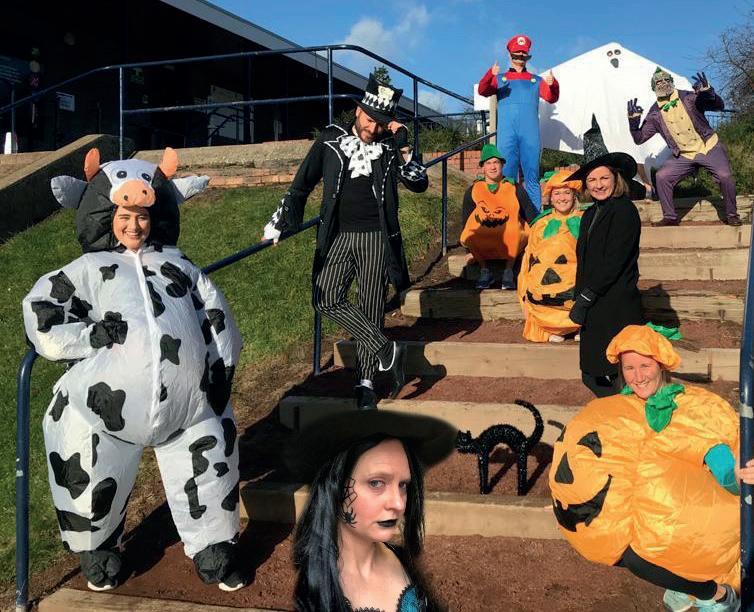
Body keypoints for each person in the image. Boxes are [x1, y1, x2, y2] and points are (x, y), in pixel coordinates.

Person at [22, 148, 246, 591]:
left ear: (155, 216)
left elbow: (217, 316)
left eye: (142, 216)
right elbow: (41, 308)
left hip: (189, 406)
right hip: (102, 409)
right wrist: (87, 338)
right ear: (106, 216)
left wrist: (222, 369)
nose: (133, 226)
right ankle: (97, 550)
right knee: (86, 462)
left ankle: (215, 550)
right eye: (124, 216)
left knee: (210, 463)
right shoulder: (89, 268)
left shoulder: (180, 267)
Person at [263, 73, 429, 411]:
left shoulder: (388, 148)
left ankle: (366, 382)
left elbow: (418, 183)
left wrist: (404, 146)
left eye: (381, 123)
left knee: (371, 306)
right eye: (370, 120)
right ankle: (387, 349)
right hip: (338, 235)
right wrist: (280, 221)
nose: (373, 128)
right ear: (357, 111)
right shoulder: (330, 139)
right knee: (325, 297)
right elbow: (302, 183)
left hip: (376, 238)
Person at [550, 324, 742, 612]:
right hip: (658, 515)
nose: (638, 376)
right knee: (622, 548)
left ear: (661, 365)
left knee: (638, 558)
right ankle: (686, 584)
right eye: (629, 368)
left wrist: (736, 477)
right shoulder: (620, 409)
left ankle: (718, 594)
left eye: (645, 366)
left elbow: (724, 468)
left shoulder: (692, 407)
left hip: (705, 515)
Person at [286, 409, 457, 611]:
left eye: (403, 485)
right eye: (376, 483)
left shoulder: (402, 558)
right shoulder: (317, 591)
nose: (399, 504)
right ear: (335, 487)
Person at [566, 120, 644, 397]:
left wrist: (587, 295)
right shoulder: (590, 213)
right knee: (591, 373)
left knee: (618, 372)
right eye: (592, 180)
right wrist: (579, 293)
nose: (598, 185)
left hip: (615, 303)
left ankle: (623, 414)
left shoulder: (624, 211)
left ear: (615, 179)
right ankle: (615, 410)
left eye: (603, 178)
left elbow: (615, 259)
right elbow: (585, 257)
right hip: (594, 303)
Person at [627, 68, 742, 227]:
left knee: (724, 176)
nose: (662, 84)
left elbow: (718, 106)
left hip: (708, 146)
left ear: (672, 82)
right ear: (653, 87)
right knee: (662, 176)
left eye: (666, 80)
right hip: (684, 154)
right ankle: (670, 217)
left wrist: (708, 92)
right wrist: (633, 124)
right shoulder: (654, 114)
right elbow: (640, 139)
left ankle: (732, 215)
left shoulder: (689, 97)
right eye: (658, 82)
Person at [477, 35, 560, 209]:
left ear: (527, 56)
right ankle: (506, 213)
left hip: (530, 134)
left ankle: (534, 215)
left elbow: (551, 97)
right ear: (510, 55)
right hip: (507, 134)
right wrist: (490, 74)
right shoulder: (500, 78)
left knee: (532, 175)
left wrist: (553, 85)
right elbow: (483, 90)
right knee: (507, 176)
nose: (520, 57)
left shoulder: (536, 80)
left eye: (523, 53)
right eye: (517, 53)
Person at [518, 169, 584, 342]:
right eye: (557, 193)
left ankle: (581, 324)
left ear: (574, 195)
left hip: (576, 278)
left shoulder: (585, 220)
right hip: (543, 283)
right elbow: (530, 257)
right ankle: (550, 326)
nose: (562, 198)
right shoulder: (541, 224)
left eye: (566, 192)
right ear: (551, 198)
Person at [460, 143, 537, 289]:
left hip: (509, 231)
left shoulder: (514, 187)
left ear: (502, 165)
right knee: (470, 234)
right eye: (488, 163)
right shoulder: (473, 189)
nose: (493, 167)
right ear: (483, 167)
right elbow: (466, 219)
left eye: (496, 162)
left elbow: (529, 212)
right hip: (484, 232)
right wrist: (468, 250)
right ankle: (484, 270)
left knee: (513, 231)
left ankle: (508, 271)